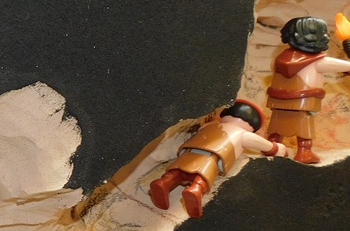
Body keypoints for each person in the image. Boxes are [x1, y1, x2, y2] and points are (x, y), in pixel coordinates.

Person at [149, 100, 287, 218]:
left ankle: (164, 182)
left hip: (190, 150)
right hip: (213, 156)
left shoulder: (211, 125)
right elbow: (262, 144)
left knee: (179, 170)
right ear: (252, 126)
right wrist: (275, 148)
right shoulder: (243, 134)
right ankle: (196, 189)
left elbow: (201, 129)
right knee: (203, 173)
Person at [266, 16, 350, 163]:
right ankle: (304, 152)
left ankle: (271, 146)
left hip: (279, 102)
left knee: (277, 125)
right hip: (303, 102)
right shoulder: (319, 62)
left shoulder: (279, 58)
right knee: (304, 128)